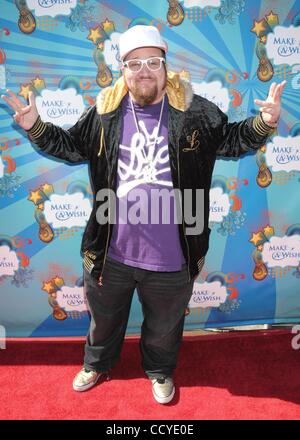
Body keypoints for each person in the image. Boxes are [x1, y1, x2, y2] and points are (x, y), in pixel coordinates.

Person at [1, 25, 285, 404]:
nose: (144, 70)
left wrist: (264, 123)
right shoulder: (104, 111)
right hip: (111, 251)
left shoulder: (196, 111)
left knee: (165, 326)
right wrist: (33, 125)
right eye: (134, 63)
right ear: (123, 69)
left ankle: (160, 370)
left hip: (175, 254)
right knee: (103, 321)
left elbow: (232, 140)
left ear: (166, 66)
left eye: (153, 61)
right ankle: (97, 363)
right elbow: (70, 146)